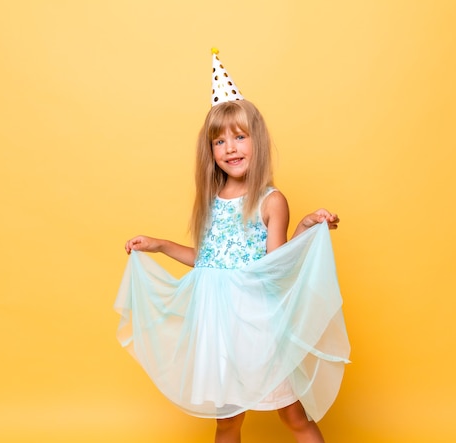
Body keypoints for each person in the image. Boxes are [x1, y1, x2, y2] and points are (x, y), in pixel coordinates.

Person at [114, 50, 350, 443]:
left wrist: (307, 225)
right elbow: (207, 262)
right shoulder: (211, 202)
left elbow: (276, 265)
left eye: (240, 137)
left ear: (257, 140)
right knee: (227, 422)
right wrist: (159, 245)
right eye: (220, 141)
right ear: (210, 152)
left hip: (256, 325)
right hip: (217, 330)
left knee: (292, 415)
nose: (231, 148)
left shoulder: (270, 201)